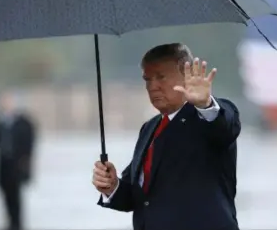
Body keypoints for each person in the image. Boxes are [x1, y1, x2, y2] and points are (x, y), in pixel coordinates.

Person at [92, 43, 241, 230]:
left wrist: (204, 104)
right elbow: (138, 198)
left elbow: (224, 127)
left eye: (160, 77)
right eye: (147, 79)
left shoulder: (209, 116)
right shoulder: (149, 128)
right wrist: (112, 187)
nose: (152, 86)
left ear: (187, 76)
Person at [0, 93, 37, 230]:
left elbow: (30, 144)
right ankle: (10, 221)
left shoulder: (24, 123)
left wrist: (26, 161)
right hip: (3, 166)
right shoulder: (0, 122)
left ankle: (17, 223)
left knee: (16, 196)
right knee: (6, 195)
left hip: (17, 165)